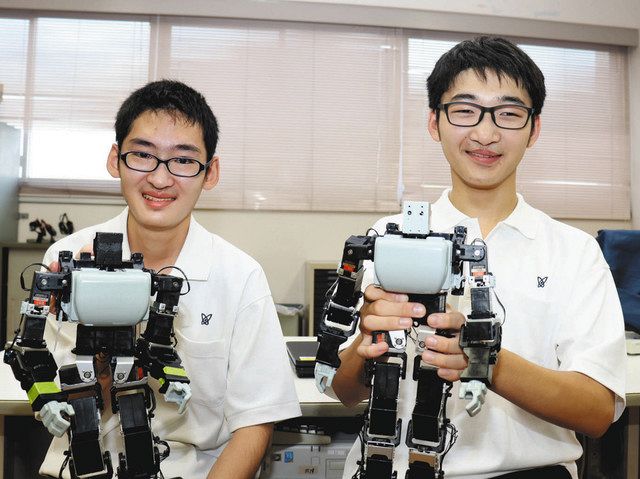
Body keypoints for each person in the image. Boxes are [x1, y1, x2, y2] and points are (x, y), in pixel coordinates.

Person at [332, 36, 626, 478]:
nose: (485, 134)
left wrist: (486, 360)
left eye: (508, 114)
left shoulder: (573, 252)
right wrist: (366, 344)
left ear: (534, 129)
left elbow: (596, 411)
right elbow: (344, 391)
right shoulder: (388, 239)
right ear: (434, 122)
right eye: (465, 110)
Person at [37, 80, 301, 478]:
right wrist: (100, 335)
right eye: (143, 155)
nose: (160, 179)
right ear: (115, 159)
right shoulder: (67, 261)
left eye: (183, 160)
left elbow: (256, 423)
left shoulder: (239, 276)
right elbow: (60, 404)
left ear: (210, 172)